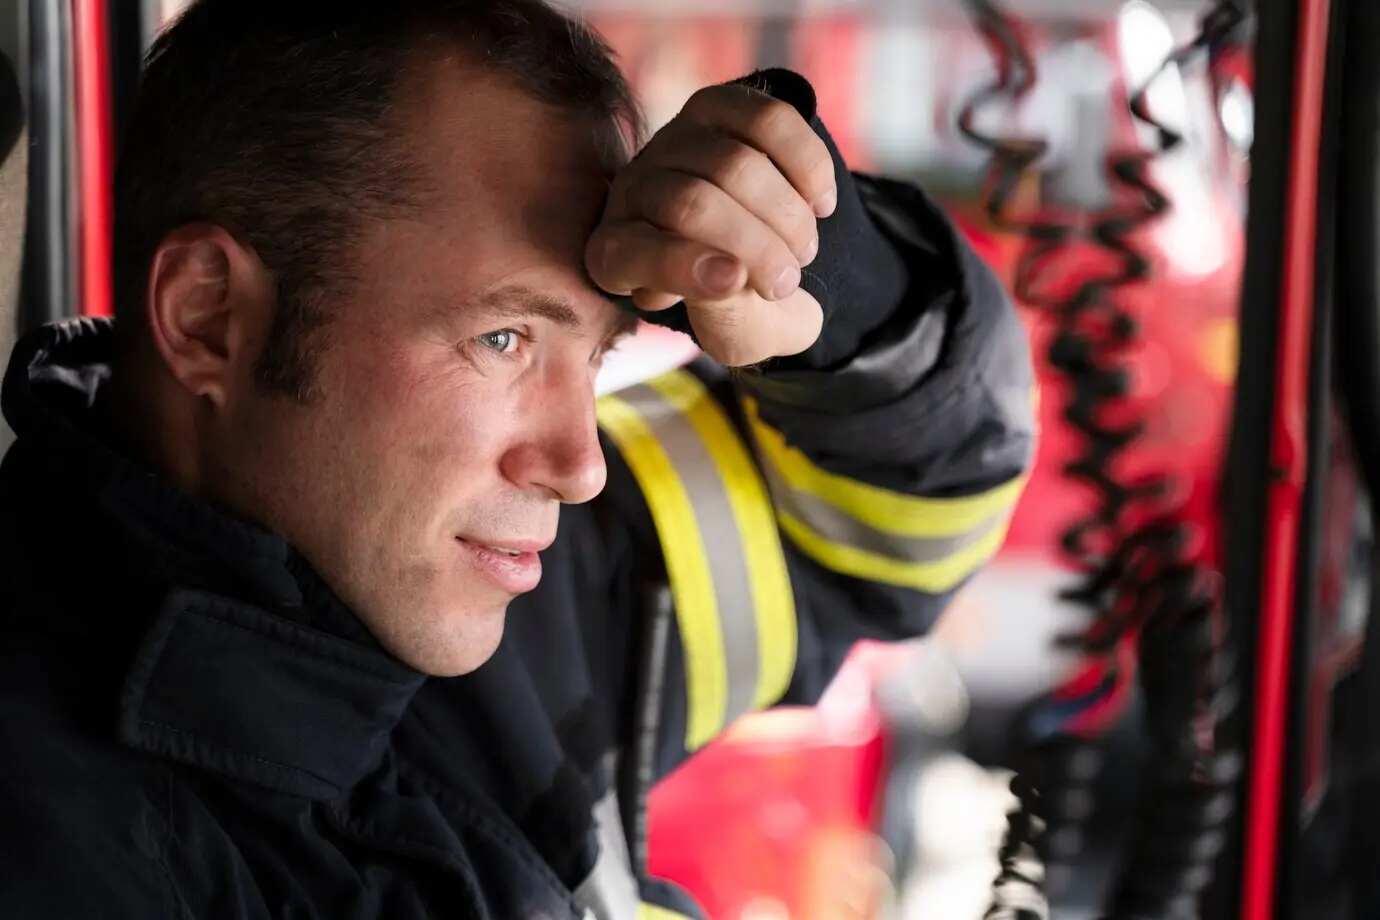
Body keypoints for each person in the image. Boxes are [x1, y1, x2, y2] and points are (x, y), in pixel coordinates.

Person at [0, 1, 1034, 918]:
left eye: (593, 352)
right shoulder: (62, 849)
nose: (577, 464)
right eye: (502, 340)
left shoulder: (483, 596)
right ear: (208, 316)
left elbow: (902, 519)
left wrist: (831, 279)